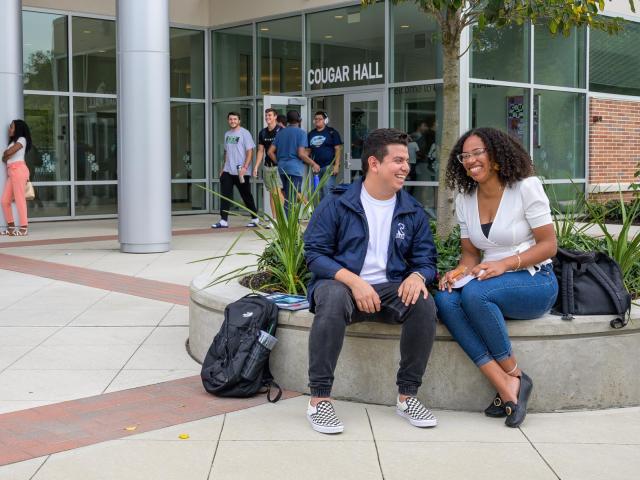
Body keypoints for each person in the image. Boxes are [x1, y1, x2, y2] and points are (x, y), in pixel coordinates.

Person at [303, 128, 438, 434]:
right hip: (341, 286)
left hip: (389, 289)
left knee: (424, 303)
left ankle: (407, 396)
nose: (406, 166)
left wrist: (418, 276)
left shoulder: (413, 211)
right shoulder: (337, 203)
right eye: (399, 160)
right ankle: (319, 400)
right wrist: (354, 282)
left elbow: (427, 262)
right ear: (374, 164)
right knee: (334, 297)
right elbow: (314, 254)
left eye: (407, 160)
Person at [434, 127, 558, 428]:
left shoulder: (525, 186)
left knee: (477, 294)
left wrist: (505, 264)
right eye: (465, 156)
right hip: (487, 278)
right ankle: (508, 384)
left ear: (498, 155)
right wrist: (459, 272)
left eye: (478, 153)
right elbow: (470, 255)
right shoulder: (465, 196)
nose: (471, 160)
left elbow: (549, 245)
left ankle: (513, 374)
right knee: (445, 298)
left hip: (534, 279)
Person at [211, 112, 259, 229]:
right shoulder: (227, 134)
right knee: (225, 194)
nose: (232, 121)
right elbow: (226, 152)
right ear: (228, 121)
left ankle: (255, 218)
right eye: (230, 119)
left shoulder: (245, 133)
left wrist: (245, 167)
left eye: (235, 119)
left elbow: (250, 152)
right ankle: (223, 220)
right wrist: (223, 168)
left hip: (241, 171)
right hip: (228, 170)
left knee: (245, 194)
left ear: (239, 120)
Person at [267, 110, 319, 212]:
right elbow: (301, 154)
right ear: (300, 120)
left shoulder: (280, 133)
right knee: (291, 198)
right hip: (295, 168)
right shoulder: (301, 133)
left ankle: (287, 222)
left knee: (287, 195)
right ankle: (289, 224)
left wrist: (279, 161)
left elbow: (269, 152)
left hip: (282, 168)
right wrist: (313, 164)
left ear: (288, 121)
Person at [1, 120, 32, 237]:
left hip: (19, 171)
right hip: (12, 172)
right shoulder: (12, 142)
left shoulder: (22, 139)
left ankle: (24, 228)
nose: (9, 129)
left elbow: (8, 153)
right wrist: (7, 153)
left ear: (18, 129)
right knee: (4, 201)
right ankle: (11, 228)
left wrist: (7, 153)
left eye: (12, 127)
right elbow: (4, 158)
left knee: (20, 200)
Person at [253, 108, 284, 221]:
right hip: (267, 166)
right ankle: (275, 220)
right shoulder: (262, 132)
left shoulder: (281, 131)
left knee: (277, 191)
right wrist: (256, 166)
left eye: (270, 115)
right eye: (266, 116)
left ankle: (281, 218)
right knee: (272, 193)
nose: (267, 118)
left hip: (278, 165)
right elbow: (261, 151)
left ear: (275, 117)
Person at [307, 111, 343, 199]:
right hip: (316, 168)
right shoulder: (311, 134)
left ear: (325, 120)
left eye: (320, 119)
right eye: (316, 119)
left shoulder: (332, 132)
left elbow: (338, 149)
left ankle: (328, 211)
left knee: (327, 189)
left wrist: (337, 165)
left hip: (329, 166)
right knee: (317, 192)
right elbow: (308, 150)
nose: (317, 120)